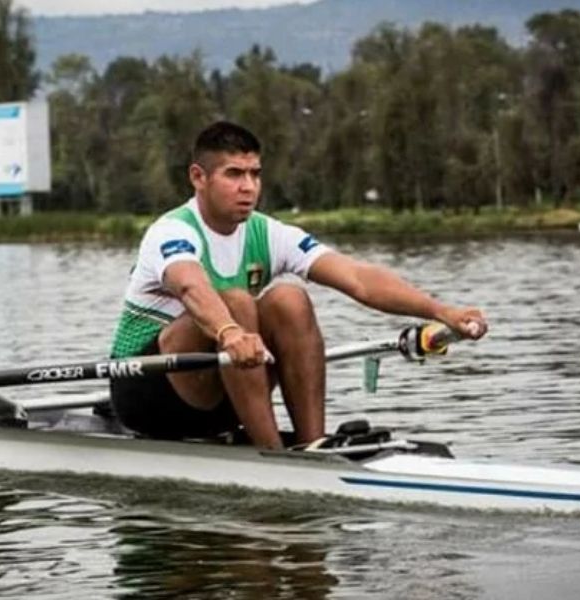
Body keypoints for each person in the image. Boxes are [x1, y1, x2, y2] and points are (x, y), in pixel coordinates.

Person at [109, 121, 488, 449]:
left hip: (228, 392)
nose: (249, 187)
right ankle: (272, 456)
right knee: (238, 303)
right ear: (198, 177)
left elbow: (358, 278)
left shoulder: (269, 233)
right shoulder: (171, 231)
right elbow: (191, 287)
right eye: (234, 174)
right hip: (147, 394)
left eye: (255, 174)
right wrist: (227, 331)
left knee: (290, 298)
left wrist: (442, 311)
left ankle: (310, 447)